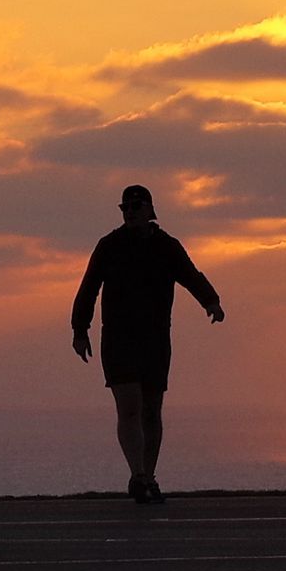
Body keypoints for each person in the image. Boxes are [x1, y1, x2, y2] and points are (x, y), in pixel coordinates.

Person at [71, 184, 223, 504]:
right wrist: (79, 329)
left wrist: (211, 301)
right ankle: (137, 474)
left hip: (155, 339)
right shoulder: (109, 246)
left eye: (136, 207)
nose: (131, 212)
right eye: (126, 207)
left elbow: (190, 275)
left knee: (152, 411)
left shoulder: (167, 246)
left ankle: (149, 475)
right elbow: (89, 287)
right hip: (118, 339)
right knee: (129, 409)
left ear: (150, 210)